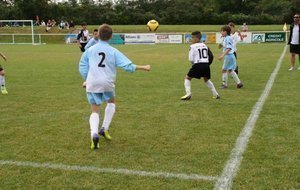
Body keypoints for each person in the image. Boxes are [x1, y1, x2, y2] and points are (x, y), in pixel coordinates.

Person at [79, 24, 151, 150]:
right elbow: (127, 65)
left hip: (93, 82)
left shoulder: (90, 50)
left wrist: (86, 79)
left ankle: (94, 134)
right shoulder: (113, 51)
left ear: (98, 35)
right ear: (111, 36)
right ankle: (104, 128)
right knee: (111, 102)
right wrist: (143, 67)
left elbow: (82, 65)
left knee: (95, 110)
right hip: (107, 83)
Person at [181, 31, 220, 100]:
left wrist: (194, 64)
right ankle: (216, 94)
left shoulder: (192, 46)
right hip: (206, 65)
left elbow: (190, 59)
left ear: (196, 38)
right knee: (206, 80)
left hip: (198, 64)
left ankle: (188, 94)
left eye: (192, 38)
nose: (191, 39)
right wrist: (207, 64)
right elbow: (211, 56)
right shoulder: (205, 45)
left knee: (187, 78)